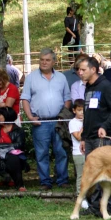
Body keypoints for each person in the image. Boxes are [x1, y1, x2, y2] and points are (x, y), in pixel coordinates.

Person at [21, 48, 71, 190]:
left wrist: (63, 116)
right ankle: (45, 182)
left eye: (47, 60)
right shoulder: (31, 77)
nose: (44, 62)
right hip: (40, 122)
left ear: (54, 61)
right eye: (42, 60)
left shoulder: (61, 78)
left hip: (58, 121)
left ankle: (62, 180)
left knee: (61, 151)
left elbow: (67, 98)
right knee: (42, 153)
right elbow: (25, 98)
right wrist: (30, 117)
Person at [78, 56, 111, 158]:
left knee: (106, 171)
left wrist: (104, 126)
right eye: (79, 69)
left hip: (103, 137)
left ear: (93, 70)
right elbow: (87, 114)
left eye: (83, 70)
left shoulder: (106, 86)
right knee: (92, 172)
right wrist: (84, 138)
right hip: (89, 138)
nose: (80, 72)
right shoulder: (88, 87)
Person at [0, 107, 28, 195]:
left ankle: (20, 185)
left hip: (12, 155)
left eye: (0, 115)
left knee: (13, 158)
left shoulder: (18, 131)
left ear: (7, 116)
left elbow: (19, 145)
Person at [69, 99, 85, 194]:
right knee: (81, 175)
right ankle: (80, 195)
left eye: (83, 110)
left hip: (89, 152)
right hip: (78, 153)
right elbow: (79, 137)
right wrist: (85, 124)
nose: (82, 112)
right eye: (79, 110)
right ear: (74, 110)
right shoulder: (72, 122)